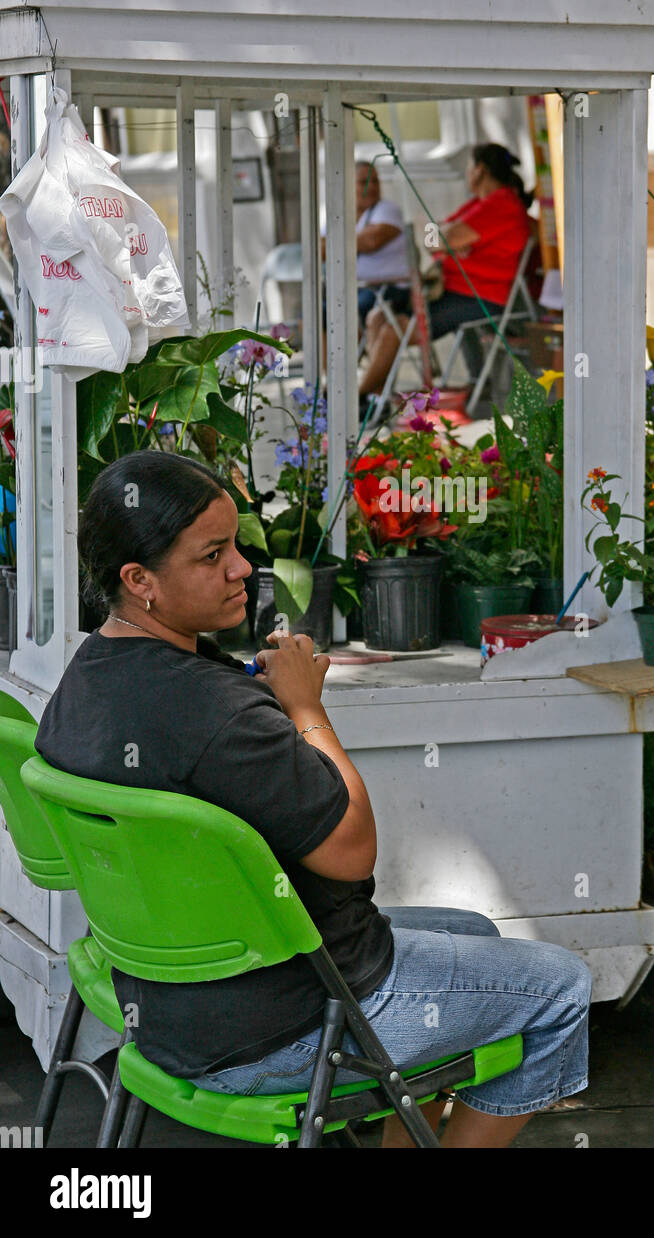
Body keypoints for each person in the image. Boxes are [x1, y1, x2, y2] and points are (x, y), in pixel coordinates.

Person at [36, 452, 591, 1149]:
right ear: (139, 580)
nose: (241, 568)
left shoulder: (80, 686)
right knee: (561, 985)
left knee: (471, 929)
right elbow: (352, 852)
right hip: (285, 1024)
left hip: (166, 1007)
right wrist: (304, 708)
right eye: (213, 555)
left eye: (236, 544)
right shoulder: (220, 711)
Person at [358, 143, 532, 399]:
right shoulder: (477, 203)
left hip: (477, 296)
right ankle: (377, 396)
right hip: (448, 289)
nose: (467, 173)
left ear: (479, 170)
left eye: (468, 167)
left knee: (394, 330)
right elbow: (431, 239)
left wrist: (448, 241)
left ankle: (358, 397)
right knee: (377, 318)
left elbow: (440, 238)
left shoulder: (501, 204)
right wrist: (450, 243)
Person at [321, 160, 411, 328]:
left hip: (387, 290)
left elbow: (371, 241)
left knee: (344, 316)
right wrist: (353, 240)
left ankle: (353, 354)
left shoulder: (387, 209)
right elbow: (320, 252)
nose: (371, 187)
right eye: (364, 182)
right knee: (316, 316)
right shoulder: (336, 214)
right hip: (352, 289)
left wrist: (333, 242)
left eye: (375, 181)